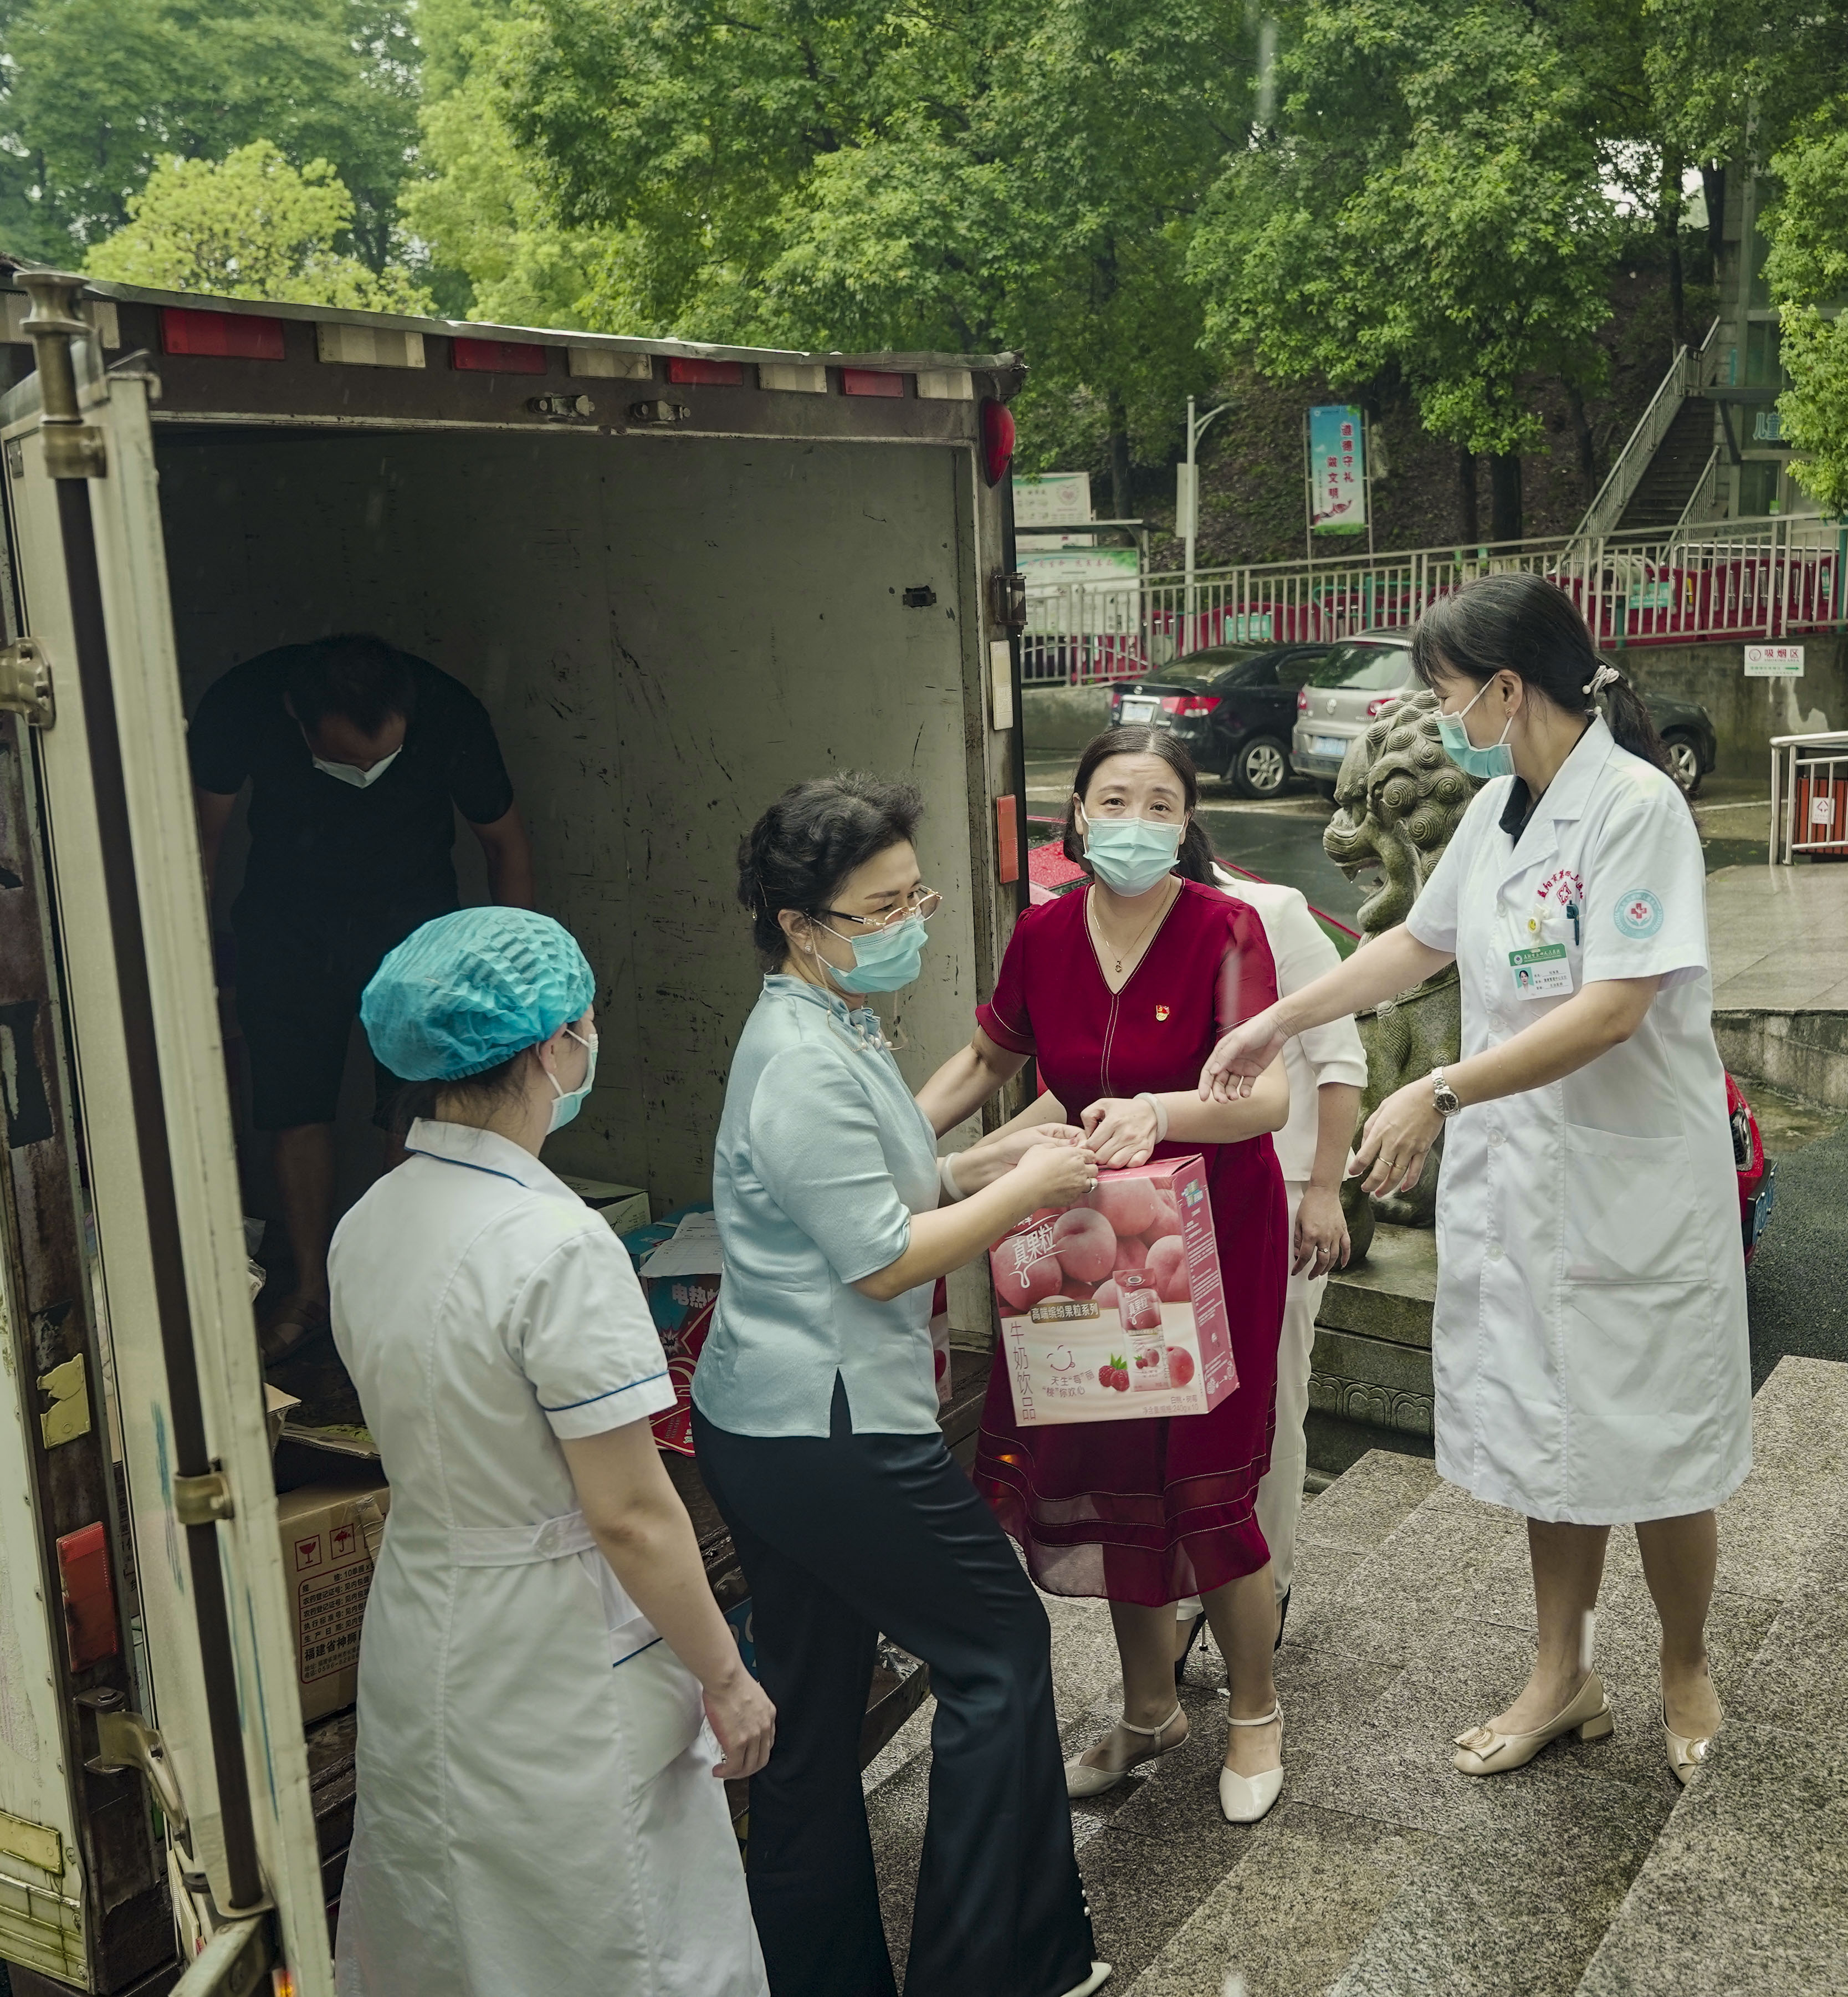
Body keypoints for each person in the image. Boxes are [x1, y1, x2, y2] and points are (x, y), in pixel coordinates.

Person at [1204, 573, 1750, 1786]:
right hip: (1526, 1184)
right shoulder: (1503, 804)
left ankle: (1684, 1666)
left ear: (1508, 687)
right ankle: (1565, 1673)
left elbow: (1613, 1008)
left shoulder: (1635, 805)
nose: (1440, 716)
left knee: (1657, 1435)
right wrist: (1277, 1018)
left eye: (1447, 693)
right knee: (1551, 1436)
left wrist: (1438, 1089)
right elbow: (1415, 940)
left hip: (1632, 1190)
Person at [692, 774, 1109, 1997]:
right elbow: (880, 1258)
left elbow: (891, 1183)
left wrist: (1000, 1153)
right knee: (998, 1649)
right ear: (798, 924)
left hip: (775, 1423)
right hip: (829, 1431)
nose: (907, 924)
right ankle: (992, 1969)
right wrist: (1025, 1192)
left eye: (912, 897)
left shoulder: (832, 1020)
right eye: (878, 910)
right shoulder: (799, 1059)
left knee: (814, 1715)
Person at [330, 907, 773, 1997]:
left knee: (447, 1922)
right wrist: (727, 1677)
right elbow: (631, 1512)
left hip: (425, 1608)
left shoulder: (369, 1218)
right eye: (584, 1023)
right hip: (555, 1641)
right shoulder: (559, 1243)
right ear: (549, 1049)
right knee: (612, 1937)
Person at [918, 728, 1295, 1828]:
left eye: (1160, 803)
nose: (1136, 820)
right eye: (1115, 799)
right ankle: (1149, 1710)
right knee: (1113, 1465)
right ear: (1078, 815)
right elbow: (989, 1058)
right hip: (1089, 1231)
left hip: (1216, 1234)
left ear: (1187, 823)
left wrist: (1161, 1112)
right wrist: (891, 1135)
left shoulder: (1227, 928)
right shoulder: (1042, 933)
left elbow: (1268, 1097)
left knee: (1207, 1480)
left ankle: (1256, 1711)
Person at [190, 632, 534, 1362]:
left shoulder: (448, 712)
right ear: (298, 718)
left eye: (384, 761)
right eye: (348, 763)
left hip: (414, 934)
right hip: (286, 931)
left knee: (409, 1110)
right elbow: (200, 845)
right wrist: (185, 961)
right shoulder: (244, 705)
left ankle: (394, 1295)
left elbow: (504, 845)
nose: (367, 775)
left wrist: (521, 976)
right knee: (293, 1108)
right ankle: (311, 1292)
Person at [1168, 865, 1366, 1669]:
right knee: (1178, 1406)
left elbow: (1340, 1061)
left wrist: (1323, 1191)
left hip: (1277, 1189)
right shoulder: (1114, 921)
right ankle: (1182, 1598)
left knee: (1272, 1402)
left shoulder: (1272, 911)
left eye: (1159, 807)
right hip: (1169, 1197)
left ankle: (1265, 1587)